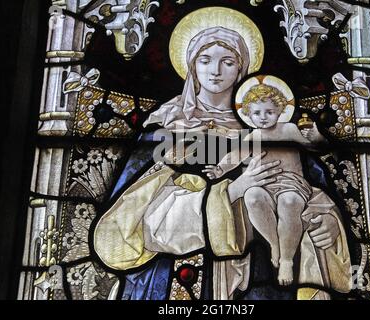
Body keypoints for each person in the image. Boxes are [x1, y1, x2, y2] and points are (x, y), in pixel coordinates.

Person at [93, 26, 351, 300]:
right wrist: (232, 192)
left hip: (260, 278)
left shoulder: (270, 130)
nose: (215, 70)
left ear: (241, 69)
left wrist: (329, 222)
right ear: (191, 66)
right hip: (167, 280)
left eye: (227, 62)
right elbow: (128, 217)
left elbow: (310, 188)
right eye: (205, 60)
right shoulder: (164, 129)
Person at [203, 82, 328, 286]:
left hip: (291, 184)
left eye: (269, 111)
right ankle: (274, 244)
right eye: (257, 113)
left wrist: (317, 137)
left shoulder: (288, 129)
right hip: (265, 185)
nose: (263, 117)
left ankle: (286, 259)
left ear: (280, 110)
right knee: (252, 196)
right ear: (248, 115)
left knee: (288, 203)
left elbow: (312, 146)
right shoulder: (254, 137)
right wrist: (219, 169)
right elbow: (235, 156)